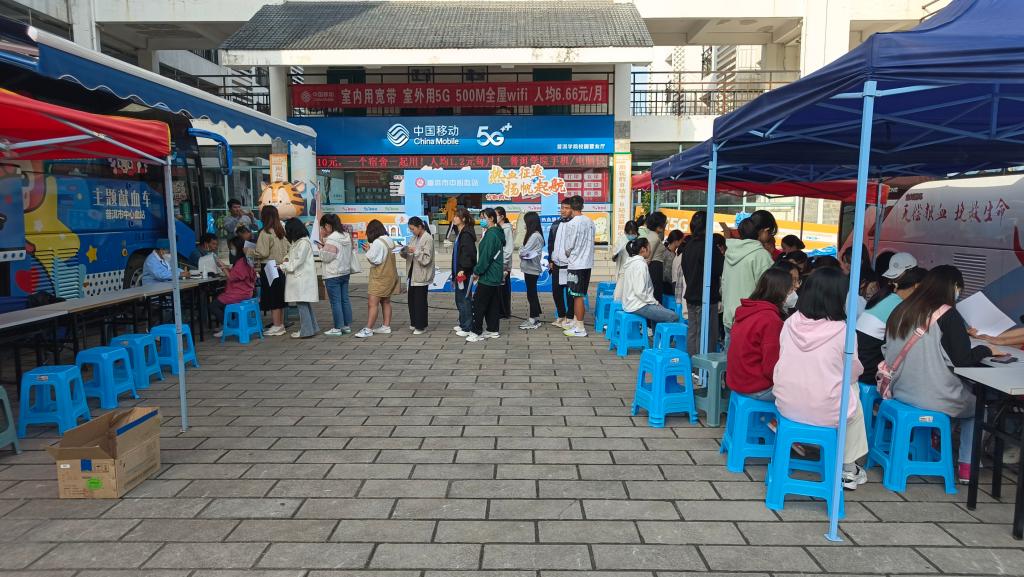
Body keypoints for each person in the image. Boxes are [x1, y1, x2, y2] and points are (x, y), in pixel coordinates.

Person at [883, 265, 1001, 484]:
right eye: (959, 288)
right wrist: (986, 350)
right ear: (954, 287)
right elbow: (962, 359)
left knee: (961, 397)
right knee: (978, 409)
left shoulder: (902, 308)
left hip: (899, 389)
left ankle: (937, 439)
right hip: (932, 395)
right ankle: (966, 466)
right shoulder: (947, 314)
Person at [773, 267, 870, 490]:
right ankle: (848, 468)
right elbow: (853, 371)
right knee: (853, 392)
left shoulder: (790, 322)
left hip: (787, 404)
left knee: (844, 392)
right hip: (824, 410)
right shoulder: (843, 331)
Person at [725, 267, 794, 401]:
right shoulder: (770, 320)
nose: (792, 294)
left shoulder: (746, 310)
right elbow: (771, 368)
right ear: (780, 292)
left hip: (737, 381)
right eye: (790, 290)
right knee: (804, 394)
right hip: (756, 387)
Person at [857, 254, 926, 385]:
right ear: (917, 286)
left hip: (858, 363)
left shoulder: (884, 297)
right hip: (869, 371)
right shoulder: (901, 306)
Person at [722, 209, 777, 335]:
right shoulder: (761, 255)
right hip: (750, 320)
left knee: (730, 348)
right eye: (770, 233)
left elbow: (724, 283)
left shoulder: (730, 251)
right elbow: (769, 290)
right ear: (765, 230)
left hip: (730, 316)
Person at [681, 211, 725, 358]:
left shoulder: (688, 245)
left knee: (693, 331)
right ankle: (702, 366)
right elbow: (720, 269)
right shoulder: (708, 246)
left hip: (691, 295)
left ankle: (692, 364)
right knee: (706, 334)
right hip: (706, 297)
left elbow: (685, 268)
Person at [613, 237, 678, 328]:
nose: (650, 250)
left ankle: (657, 336)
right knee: (673, 316)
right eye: (649, 247)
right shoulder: (640, 265)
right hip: (638, 305)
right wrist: (655, 302)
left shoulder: (631, 262)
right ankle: (660, 337)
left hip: (630, 303)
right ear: (643, 249)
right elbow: (640, 292)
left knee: (659, 312)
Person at [356, 219, 400, 338]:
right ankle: (386, 326)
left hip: (380, 277)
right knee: (386, 301)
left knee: (372, 303)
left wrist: (367, 251)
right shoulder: (389, 240)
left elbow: (374, 259)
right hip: (390, 276)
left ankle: (368, 329)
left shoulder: (377, 242)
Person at [467, 208, 505, 342]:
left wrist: (477, 271)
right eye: (480, 217)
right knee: (492, 304)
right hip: (495, 274)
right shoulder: (496, 233)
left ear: (491, 218)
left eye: (483, 217)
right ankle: (493, 329)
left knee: (479, 304)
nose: (481, 220)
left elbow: (485, 257)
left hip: (488, 275)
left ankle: (476, 331)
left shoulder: (491, 235)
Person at [253, 205, 290, 336]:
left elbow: (262, 252)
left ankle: (276, 325)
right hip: (280, 267)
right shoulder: (280, 232)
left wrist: (249, 251)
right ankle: (280, 324)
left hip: (268, 266)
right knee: (279, 296)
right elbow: (289, 248)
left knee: (273, 296)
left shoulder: (265, 233)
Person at [562, 195, 596, 338]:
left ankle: (580, 327)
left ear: (571, 207)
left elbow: (568, 246)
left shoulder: (572, 224)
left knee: (577, 296)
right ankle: (577, 324)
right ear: (582, 206)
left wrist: (567, 253)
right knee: (580, 294)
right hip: (587, 263)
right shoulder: (590, 222)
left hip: (576, 264)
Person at [211, 236, 258, 338]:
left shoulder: (241, 262)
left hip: (238, 293)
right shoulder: (246, 260)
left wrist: (223, 267)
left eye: (232, 247)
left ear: (238, 247)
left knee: (214, 305)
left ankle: (228, 327)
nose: (231, 250)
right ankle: (231, 324)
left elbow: (231, 277)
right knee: (222, 303)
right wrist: (227, 267)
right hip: (247, 292)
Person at [280, 219, 319, 339]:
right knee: (304, 303)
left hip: (301, 278)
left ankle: (306, 331)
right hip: (300, 277)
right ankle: (311, 328)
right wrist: (286, 259)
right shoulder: (299, 242)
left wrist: (283, 266)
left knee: (302, 305)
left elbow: (297, 261)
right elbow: (292, 256)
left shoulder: (303, 243)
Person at [319, 214, 355, 336]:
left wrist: (321, 248)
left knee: (335, 302)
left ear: (328, 225)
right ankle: (346, 326)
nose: (322, 229)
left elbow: (326, 257)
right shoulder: (346, 236)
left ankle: (337, 328)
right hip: (345, 272)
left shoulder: (332, 239)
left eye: (323, 227)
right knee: (344, 299)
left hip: (333, 274)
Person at [401, 216, 435, 335]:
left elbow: (426, 259)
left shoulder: (427, 238)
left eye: (413, 229)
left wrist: (414, 251)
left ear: (420, 227)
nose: (412, 231)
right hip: (412, 274)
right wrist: (404, 251)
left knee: (420, 301)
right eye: (410, 229)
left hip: (421, 274)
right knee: (412, 300)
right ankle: (414, 322)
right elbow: (409, 254)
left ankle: (421, 326)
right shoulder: (414, 237)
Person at [451, 208, 477, 337]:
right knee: (459, 298)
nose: (454, 218)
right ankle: (462, 323)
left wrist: (463, 269)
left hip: (464, 272)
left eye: (457, 216)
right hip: (459, 271)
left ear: (464, 219)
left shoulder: (466, 234)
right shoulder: (460, 232)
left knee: (464, 299)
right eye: (454, 216)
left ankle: (467, 327)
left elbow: (468, 254)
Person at [518, 211, 545, 330]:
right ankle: (535, 316)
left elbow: (523, 251)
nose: (524, 224)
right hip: (530, 268)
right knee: (531, 293)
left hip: (531, 269)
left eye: (525, 222)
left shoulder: (534, 236)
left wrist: (521, 250)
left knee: (531, 294)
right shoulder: (535, 235)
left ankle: (533, 319)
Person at [549, 198, 573, 328]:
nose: (563, 210)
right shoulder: (556, 224)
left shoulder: (574, 224)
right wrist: (550, 260)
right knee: (556, 292)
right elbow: (551, 243)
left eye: (566, 208)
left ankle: (570, 317)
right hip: (557, 264)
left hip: (570, 265)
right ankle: (561, 315)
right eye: (562, 207)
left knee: (570, 293)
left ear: (572, 209)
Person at [643, 211, 669, 303]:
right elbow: (648, 258)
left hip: (655, 267)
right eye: (664, 223)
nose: (665, 225)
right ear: (659, 225)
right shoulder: (654, 237)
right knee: (656, 295)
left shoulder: (652, 235)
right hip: (655, 268)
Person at [495, 207, 514, 320]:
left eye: (496, 215)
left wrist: (504, 264)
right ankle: (500, 311)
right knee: (499, 289)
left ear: (502, 216)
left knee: (504, 289)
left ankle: (504, 312)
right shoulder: (498, 228)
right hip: (498, 264)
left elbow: (508, 249)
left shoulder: (506, 229)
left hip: (503, 265)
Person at [662, 229, 684, 297]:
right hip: (667, 287)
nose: (682, 242)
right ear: (676, 241)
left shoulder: (665, 251)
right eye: (681, 240)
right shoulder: (670, 255)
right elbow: (667, 274)